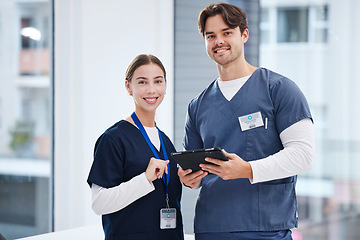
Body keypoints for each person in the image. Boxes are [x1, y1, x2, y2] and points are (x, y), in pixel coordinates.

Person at [178, 3, 314, 240]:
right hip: (212, 228)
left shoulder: (279, 90)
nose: (219, 41)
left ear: (244, 34)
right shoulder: (198, 105)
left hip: (267, 228)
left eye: (227, 32)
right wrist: (188, 179)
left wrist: (248, 170)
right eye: (211, 36)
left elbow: (303, 155)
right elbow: (195, 169)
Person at [87, 54, 184, 240]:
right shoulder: (113, 139)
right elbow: (98, 203)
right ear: (128, 87)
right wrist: (145, 179)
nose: (151, 89)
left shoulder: (165, 141)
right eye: (142, 82)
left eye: (158, 81)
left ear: (165, 85)